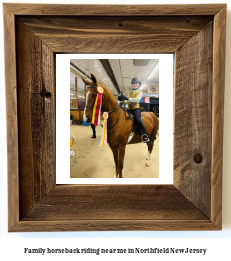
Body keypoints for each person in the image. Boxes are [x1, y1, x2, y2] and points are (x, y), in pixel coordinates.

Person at [118, 77, 151, 144]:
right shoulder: (130, 93)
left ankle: (146, 136)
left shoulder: (140, 92)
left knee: (138, 120)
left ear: (139, 84)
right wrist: (121, 100)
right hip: (129, 109)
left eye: (136, 83)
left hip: (136, 109)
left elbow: (136, 100)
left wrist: (126, 98)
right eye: (133, 84)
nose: (134, 85)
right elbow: (127, 102)